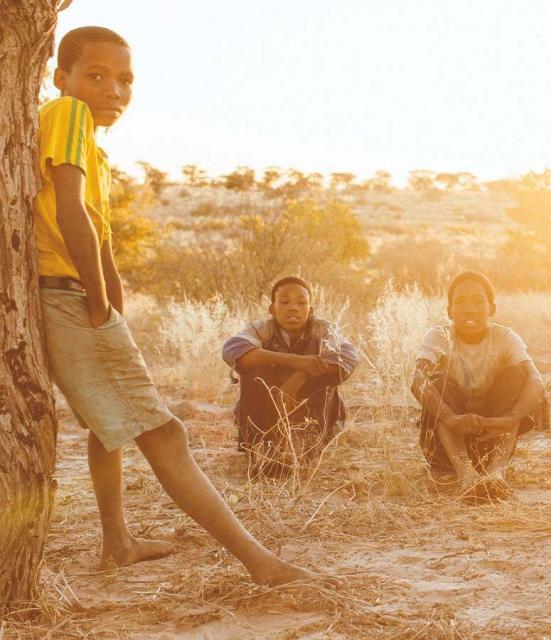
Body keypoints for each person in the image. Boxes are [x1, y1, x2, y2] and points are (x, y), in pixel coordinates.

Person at [34, 26, 336, 585]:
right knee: (166, 435)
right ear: (61, 79)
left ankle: (118, 542)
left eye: (125, 80)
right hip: (68, 298)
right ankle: (261, 564)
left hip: (75, 300)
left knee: (107, 425)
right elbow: (70, 213)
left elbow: (100, 238)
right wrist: (98, 305)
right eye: (95, 76)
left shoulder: (93, 148)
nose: (113, 91)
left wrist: (113, 309)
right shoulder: (67, 115)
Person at [410, 271, 546, 501]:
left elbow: (536, 381)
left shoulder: (505, 337)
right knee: (437, 379)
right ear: (449, 311)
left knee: (516, 375)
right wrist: (450, 418)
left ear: (492, 308)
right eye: (461, 302)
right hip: (444, 446)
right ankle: (465, 474)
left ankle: (496, 471)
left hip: (492, 439)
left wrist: (511, 418)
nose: (470, 309)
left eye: (478, 301)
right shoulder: (439, 336)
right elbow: (418, 380)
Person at [222, 276, 359, 471]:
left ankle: (310, 443)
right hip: (270, 410)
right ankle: (262, 447)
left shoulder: (323, 328)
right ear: (272, 309)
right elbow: (233, 350)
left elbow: (348, 357)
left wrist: (300, 376)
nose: (293, 308)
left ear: (310, 310)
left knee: (327, 370)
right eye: (284, 302)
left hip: (311, 412)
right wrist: (296, 361)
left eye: (301, 303)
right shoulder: (261, 329)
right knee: (252, 369)